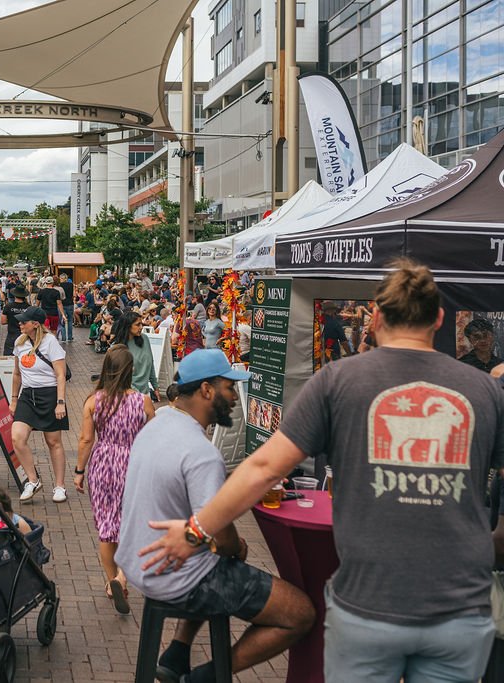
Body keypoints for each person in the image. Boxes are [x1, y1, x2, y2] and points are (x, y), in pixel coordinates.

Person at [138, 260, 504, 682]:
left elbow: (262, 467)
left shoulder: (337, 380)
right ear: (439, 319)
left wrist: (195, 532)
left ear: (377, 318)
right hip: (460, 610)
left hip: (368, 605)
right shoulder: (484, 390)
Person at [115, 349, 314, 682]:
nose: (235, 398)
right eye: (229, 388)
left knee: (212, 559)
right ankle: (207, 676)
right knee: (300, 613)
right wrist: (237, 548)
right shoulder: (202, 454)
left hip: (138, 563)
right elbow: (220, 535)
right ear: (206, 390)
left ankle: (177, 653)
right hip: (173, 577)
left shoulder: (158, 421)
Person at [75, 346, 155, 614]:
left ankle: (112, 582)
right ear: (130, 370)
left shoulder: (93, 401)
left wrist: (79, 471)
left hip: (103, 466)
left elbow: (86, 440)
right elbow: (153, 436)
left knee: (107, 528)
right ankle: (123, 575)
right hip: (134, 465)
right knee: (131, 524)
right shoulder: (143, 401)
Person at [10, 307, 70, 503]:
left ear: (35, 324)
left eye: (23, 321)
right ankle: (33, 480)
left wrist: (60, 402)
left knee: (53, 442)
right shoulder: (20, 343)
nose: (20, 323)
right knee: (17, 437)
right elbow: (17, 374)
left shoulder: (50, 342)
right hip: (28, 395)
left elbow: (61, 375)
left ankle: (60, 486)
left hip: (50, 394)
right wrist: (13, 399)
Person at [112, 310, 159, 400]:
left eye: (141, 324)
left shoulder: (145, 339)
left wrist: (155, 387)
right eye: (137, 325)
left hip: (145, 393)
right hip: (127, 395)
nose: (141, 327)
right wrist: (136, 393)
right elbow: (118, 376)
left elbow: (151, 364)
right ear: (127, 326)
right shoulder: (118, 347)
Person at [0, 286, 29, 356]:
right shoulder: (29, 307)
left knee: (9, 358)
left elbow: (3, 321)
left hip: (12, 335)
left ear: (14, 295)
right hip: (26, 336)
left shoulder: (8, 306)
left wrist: (11, 320)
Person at [59, 273, 76, 343]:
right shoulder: (71, 284)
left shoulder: (60, 286)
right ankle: (70, 337)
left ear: (62, 278)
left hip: (62, 305)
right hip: (70, 304)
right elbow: (72, 294)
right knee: (70, 321)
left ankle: (63, 337)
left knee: (62, 321)